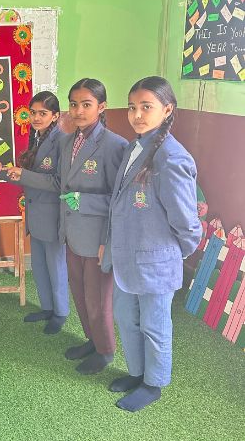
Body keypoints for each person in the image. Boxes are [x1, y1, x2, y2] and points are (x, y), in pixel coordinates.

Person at [7, 79, 127, 374]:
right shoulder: (70, 142)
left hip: (97, 237)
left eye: (86, 104)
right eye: (74, 104)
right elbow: (62, 185)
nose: (79, 111)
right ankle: (92, 341)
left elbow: (119, 200)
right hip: (71, 233)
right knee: (80, 294)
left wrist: (87, 206)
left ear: (102, 107)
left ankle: (105, 351)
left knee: (98, 299)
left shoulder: (114, 145)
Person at [103, 76, 202, 412]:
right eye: (132, 107)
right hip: (127, 257)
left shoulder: (171, 158)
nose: (137, 115)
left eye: (147, 107)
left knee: (154, 325)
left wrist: (174, 253)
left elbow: (186, 222)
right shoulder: (136, 147)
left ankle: (153, 383)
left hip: (155, 261)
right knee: (126, 318)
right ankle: (136, 372)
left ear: (167, 109)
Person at [0, 91, 69, 334]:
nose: (36, 118)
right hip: (35, 214)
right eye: (33, 113)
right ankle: (47, 307)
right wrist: (4, 171)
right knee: (40, 265)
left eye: (42, 113)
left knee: (56, 266)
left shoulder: (62, 141)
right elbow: (28, 178)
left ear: (55, 116)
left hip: (52, 215)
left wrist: (23, 174)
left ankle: (61, 312)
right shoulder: (36, 138)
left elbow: (59, 183)